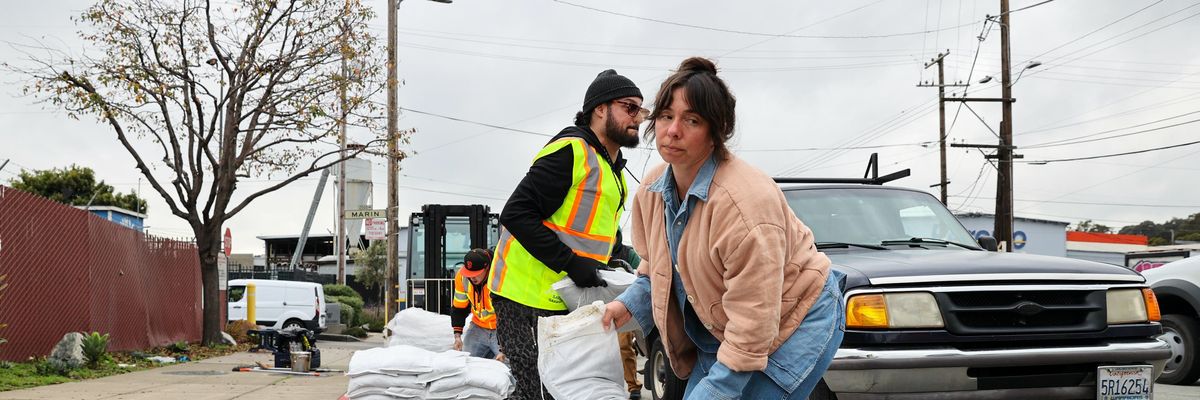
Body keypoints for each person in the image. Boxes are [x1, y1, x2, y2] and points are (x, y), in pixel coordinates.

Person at [602, 57, 846, 399]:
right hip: (724, 329)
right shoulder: (653, 189)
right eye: (666, 116)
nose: (673, 130)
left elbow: (753, 323)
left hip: (797, 316)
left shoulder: (745, 205)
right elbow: (657, 270)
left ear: (716, 132)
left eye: (692, 120)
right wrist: (625, 306)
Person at [487, 69, 647, 399]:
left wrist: (617, 263)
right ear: (600, 109)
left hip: (567, 299)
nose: (638, 118)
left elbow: (598, 234)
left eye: (641, 110)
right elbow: (516, 214)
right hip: (525, 297)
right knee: (537, 392)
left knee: (559, 392)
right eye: (629, 107)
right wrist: (572, 263)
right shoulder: (572, 151)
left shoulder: (612, 169)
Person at [451, 248, 502, 360]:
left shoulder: (499, 277)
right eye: (469, 273)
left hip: (502, 329)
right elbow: (459, 308)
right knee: (466, 362)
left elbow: (510, 312)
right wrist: (457, 336)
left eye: (476, 274)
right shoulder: (462, 277)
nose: (472, 277)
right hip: (478, 328)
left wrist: (506, 342)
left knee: (508, 365)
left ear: (487, 268)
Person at [611, 239, 644, 400]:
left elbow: (641, 277)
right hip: (601, 305)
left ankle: (633, 386)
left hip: (624, 307)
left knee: (624, 346)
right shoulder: (598, 252)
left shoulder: (628, 254)